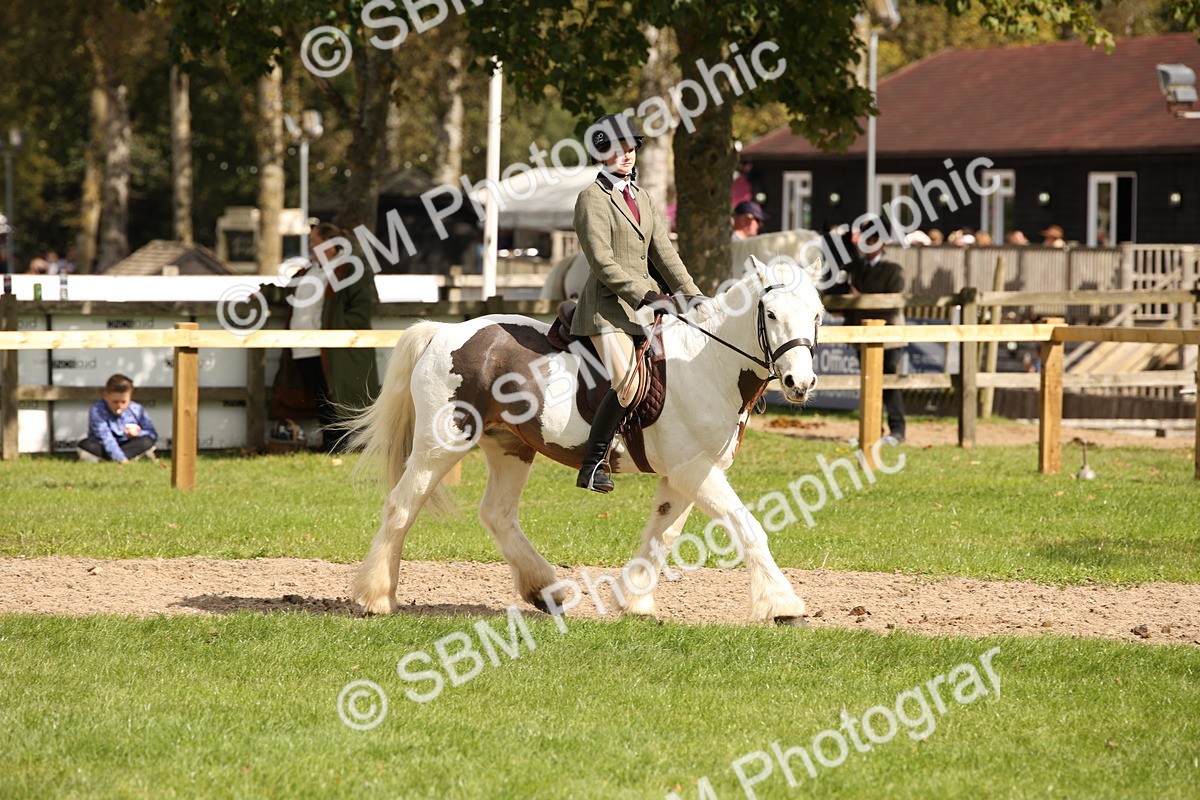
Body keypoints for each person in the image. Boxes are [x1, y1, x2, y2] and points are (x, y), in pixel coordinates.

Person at [571, 113, 701, 493]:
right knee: (627, 383)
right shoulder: (591, 199)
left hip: (645, 308)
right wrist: (645, 294)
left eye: (630, 149)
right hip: (606, 311)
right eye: (617, 149)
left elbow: (665, 254)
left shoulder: (642, 197)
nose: (626, 156)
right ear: (601, 154)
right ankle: (592, 464)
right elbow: (601, 261)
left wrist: (692, 294)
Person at [275, 222, 380, 451]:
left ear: (330, 245)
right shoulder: (307, 271)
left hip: (332, 349)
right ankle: (330, 443)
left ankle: (338, 445)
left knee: (335, 395)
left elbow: (360, 310)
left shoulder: (349, 269)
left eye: (315, 241)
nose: (310, 246)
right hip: (302, 346)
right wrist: (260, 294)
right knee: (319, 395)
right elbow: (284, 293)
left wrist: (338, 331)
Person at [844, 225, 906, 444]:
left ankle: (898, 430)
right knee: (869, 383)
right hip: (864, 336)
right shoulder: (857, 268)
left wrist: (861, 297)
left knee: (888, 383)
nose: (868, 244)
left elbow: (892, 301)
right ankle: (873, 430)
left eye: (872, 240)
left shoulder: (894, 269)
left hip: (888, 335)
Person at [77, 374, 158, 463]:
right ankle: (123, 458)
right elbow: (105, 437)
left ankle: (108, 459)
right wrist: (121, 459)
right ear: (106, 396)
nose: (119, 406)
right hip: (103, 445)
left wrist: (137, 433)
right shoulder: (97, 410)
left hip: (128, 444)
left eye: (123, 402)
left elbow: (152, 434)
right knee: (86, 445)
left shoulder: (137, 409)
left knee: (146, 441)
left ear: (130, 397)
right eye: (115, 402)